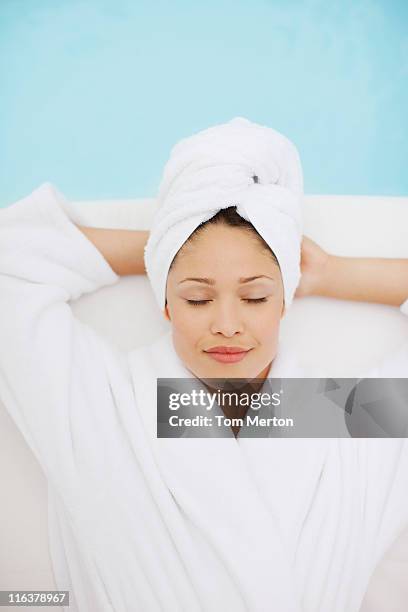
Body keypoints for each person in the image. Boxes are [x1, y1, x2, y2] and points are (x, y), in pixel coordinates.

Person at [0, 116, 407, 611]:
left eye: (256, 296)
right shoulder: (100, 405)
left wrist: (331, 273)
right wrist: (171, 248)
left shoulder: (345, 418)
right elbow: (10, 264)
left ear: (286, 300)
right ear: (164, 302)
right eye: (197, 299)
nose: (228, 324)